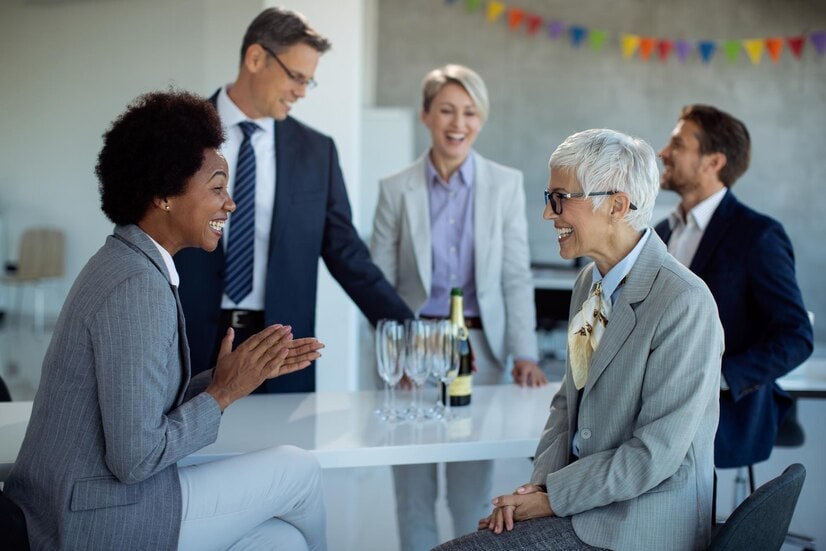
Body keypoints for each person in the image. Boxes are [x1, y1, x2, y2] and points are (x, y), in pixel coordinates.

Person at [4, 91, 327, 550]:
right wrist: (223, 393)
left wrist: (230, 377)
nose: (230, 204)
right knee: (300, 470)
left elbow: (135, 406)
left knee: (280, 541)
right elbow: (136, 457)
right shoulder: (135, 286)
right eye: (217, 188)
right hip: (93, 519)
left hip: (91, 502)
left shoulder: (128, 263)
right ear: (163, 195)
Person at [436, 129, 724, 551]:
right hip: (583, 506)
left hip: (638, 524)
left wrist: (554, 498)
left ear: (616, 205)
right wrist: (534, 492)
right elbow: (565, 405)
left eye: (560, 199)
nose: (548, 215)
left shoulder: (684, 302)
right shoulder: (589, 281)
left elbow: (653, 455)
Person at [173, 6, 413, 394]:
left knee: (280, 455)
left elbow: (347, 253)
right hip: (184, 341)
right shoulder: (178, 136)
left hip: (281, 351)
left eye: (308, 82)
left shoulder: (317, 152)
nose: (302, 92)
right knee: (187, 455)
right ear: (255, 58)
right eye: (296, 77)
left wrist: (408, 329)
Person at [370, 64, 545, 551]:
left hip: (480, 354)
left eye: (470, 112)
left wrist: (525, 353)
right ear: (427, 115)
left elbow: (515, 275)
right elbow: (378, 283)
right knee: (413, 492)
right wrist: (399, 352)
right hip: (414, 352)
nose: (458, 122)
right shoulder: (394, 188)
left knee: (471, 494)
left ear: (481, 120)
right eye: (446, 109)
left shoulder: (504, 184)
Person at [655, 104, 813, 470]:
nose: (663, 153)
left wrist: (720, 378)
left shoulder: (757, 235)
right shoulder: (660, 233)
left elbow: (796, 336)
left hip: (720, 421)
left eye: (677, 144)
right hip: (654, 414)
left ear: (713, 163)